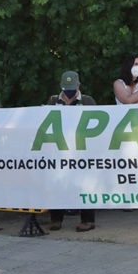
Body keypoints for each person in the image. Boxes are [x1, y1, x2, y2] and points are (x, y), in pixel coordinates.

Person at [47, 71, 97, 231]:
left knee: (85, 184)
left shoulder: (88, 101)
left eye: (71, 87)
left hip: (82, 150)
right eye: (65, 87)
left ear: (78, 85)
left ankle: (88, 220)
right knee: (57, 183)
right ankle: (56, 219)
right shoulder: (53, 101)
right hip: (59, 150)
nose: (68, 91)